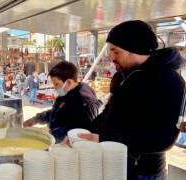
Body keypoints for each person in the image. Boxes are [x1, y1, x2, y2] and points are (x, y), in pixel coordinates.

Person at [68, 20, 185, 180]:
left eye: (116, 51)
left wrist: (103, 139)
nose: (110, 57)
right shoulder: (122, 75)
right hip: (112, 164)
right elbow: (108, 113)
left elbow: (164, 139)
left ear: (135, 49)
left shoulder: (169, 81)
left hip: (143, 173)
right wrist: (82, 135)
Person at [23, 61, 100, 142]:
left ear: (69, 82)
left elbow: (84, 133)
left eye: (56, 84)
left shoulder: (85, 101)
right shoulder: (67, 90)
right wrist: (36, 119)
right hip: (57, 139)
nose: (54, 87)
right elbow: (56, 112)